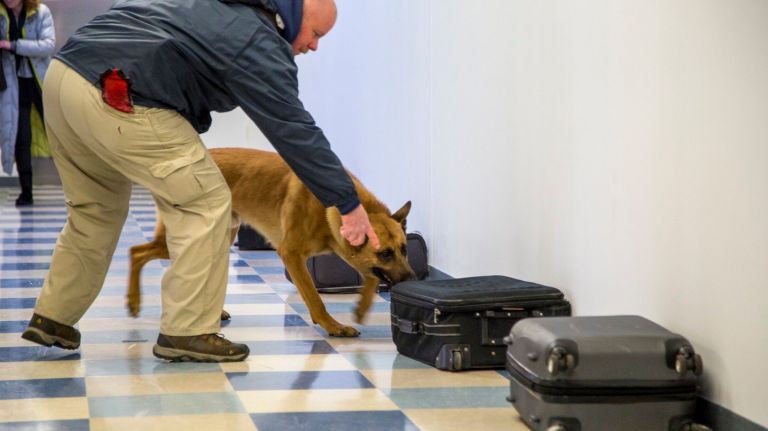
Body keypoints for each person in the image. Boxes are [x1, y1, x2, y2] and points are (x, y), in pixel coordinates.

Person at [21, 0, 380, 363]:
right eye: (315, 34)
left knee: (94, 211)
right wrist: (347, 204)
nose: (314, 46)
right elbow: (294, 131)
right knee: (206, 203)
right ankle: (188, 330)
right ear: (293, 14)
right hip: (119, 91)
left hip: (64, 76)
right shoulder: (257, 39)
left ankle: (53, 317)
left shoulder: (217, 7)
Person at [0, 0, 55, 206]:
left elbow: (48, 45)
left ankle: (83, 186)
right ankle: (27, 193)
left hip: (42, 82)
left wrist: (12, 45)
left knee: (63, 136)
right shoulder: (1, 15)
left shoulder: (40, 12)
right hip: (14, 84)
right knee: (20, 139)